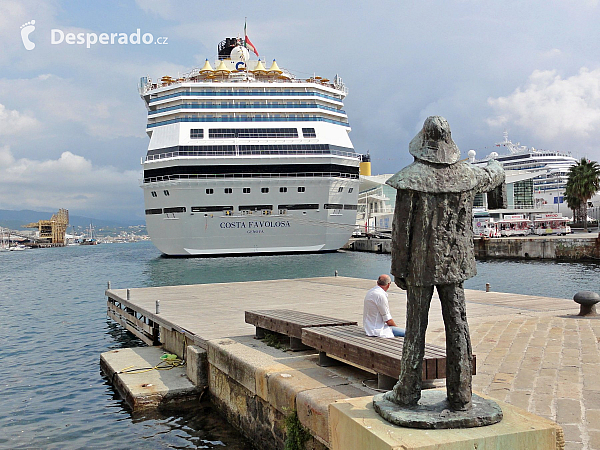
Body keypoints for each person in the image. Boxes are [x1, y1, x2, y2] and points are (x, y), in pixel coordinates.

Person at [386, 116, 505, 411]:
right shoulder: (469, 176)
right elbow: (494, 174)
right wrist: (499, 172)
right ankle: (461, 393)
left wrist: (399, 270)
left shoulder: (410, 180)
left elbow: (401, 233)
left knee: (415, 328)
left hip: (420, 266)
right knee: (458, 325)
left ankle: (408, 391)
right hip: (455, 264)